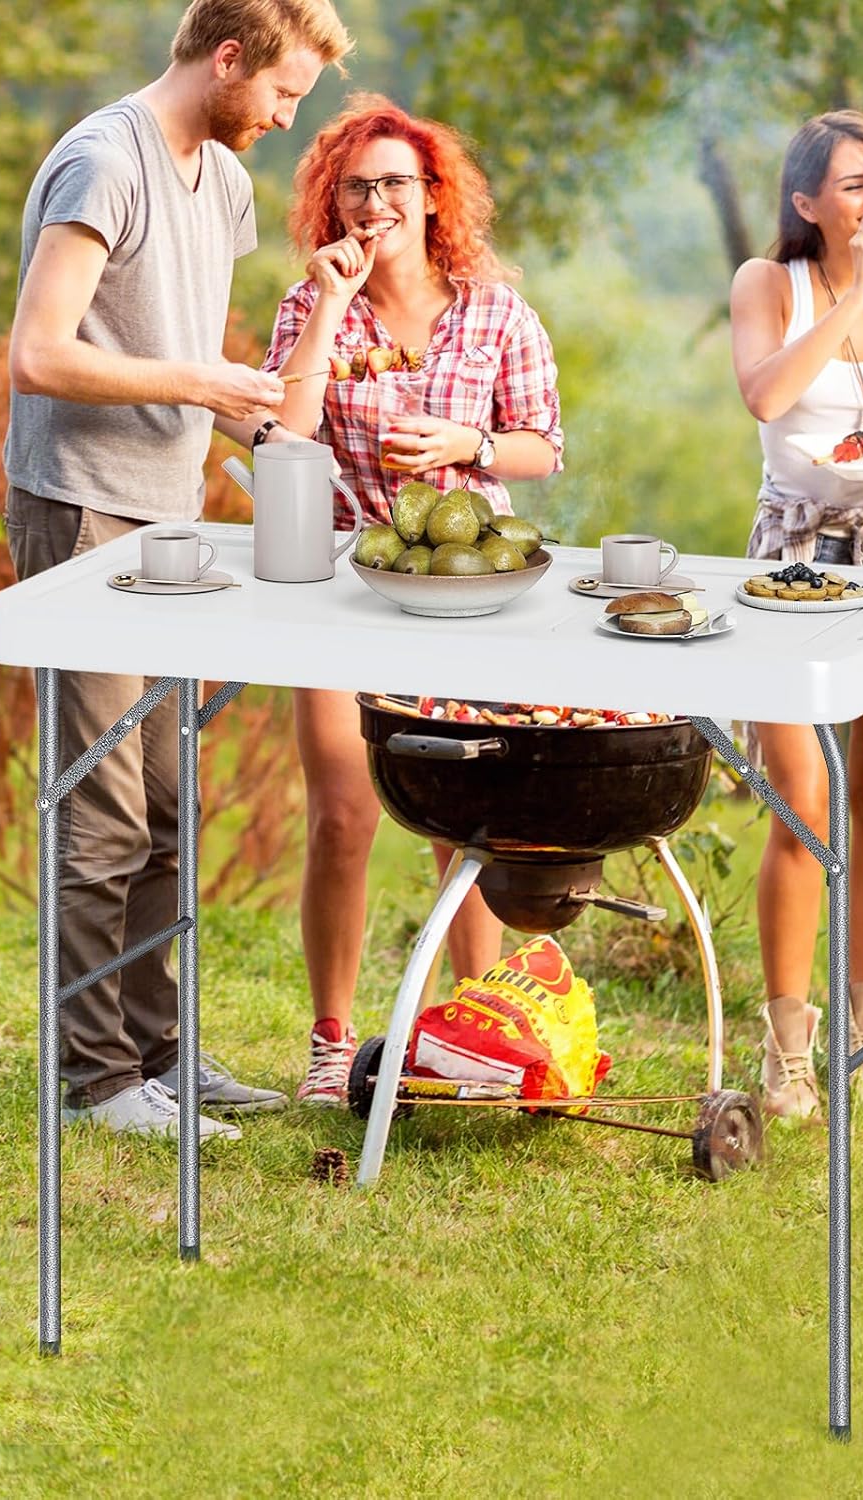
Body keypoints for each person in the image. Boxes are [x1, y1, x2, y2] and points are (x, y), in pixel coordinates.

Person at [4, 0, 352, 1142]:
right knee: (101, 810)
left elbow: (192, 350)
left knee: (164, 808)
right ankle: (97, 1080)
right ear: (227, 56)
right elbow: (39, 353)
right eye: (284, 94)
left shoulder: (227, 179)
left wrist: (263, 432)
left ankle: (159, 1056)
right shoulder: (106, 161)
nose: (289, 120)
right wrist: (206, 387)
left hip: (169, 522)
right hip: (82, 515)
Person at [261, 94, 564, 1104]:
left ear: (432, 197)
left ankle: (467, 1037)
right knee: (344, 812)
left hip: (465, 587)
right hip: (338, 581)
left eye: (395, 183)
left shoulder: (493, 309)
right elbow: (285, 438)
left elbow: (540, 446)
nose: (376, 201)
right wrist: (332, 308)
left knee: (461, 822)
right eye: (357, 186)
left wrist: (465, 445)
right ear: (332, 201)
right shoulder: (311, 305)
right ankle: (331, 1043)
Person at [729, 111, 863, 1120]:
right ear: (806, 202)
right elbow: (768, 399)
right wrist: (852, 291)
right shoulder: (767, 284)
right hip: (795, 559)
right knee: (800, 803)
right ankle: (787, 1051)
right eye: (853, 186)